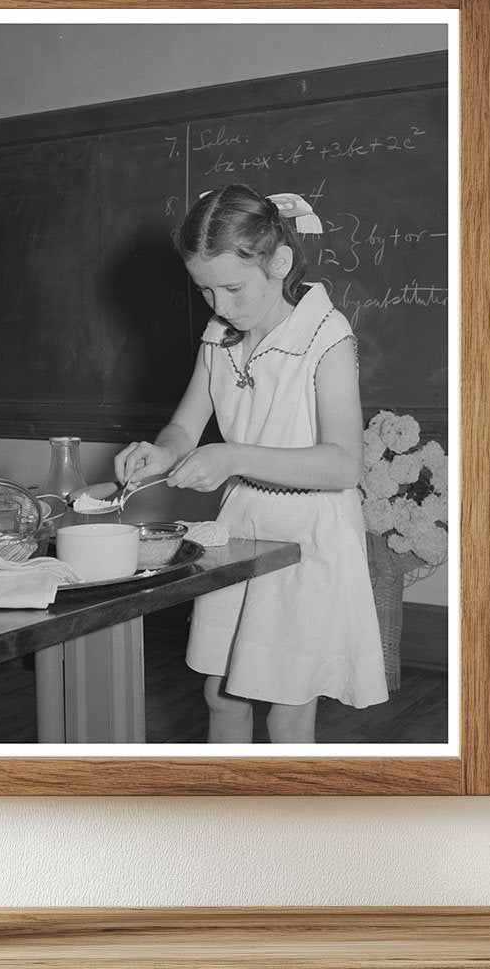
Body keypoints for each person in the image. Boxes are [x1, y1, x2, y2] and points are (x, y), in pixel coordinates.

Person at [115, 184, 388, 744]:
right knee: (221, 693)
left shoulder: (325, 336)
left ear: (279, 263)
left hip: (309, 535)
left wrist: (232, 455)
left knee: (288, 706)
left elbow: (342, 466)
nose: (218, 306)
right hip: (241, 532)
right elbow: (186, 425)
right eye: (204, 290)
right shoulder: (219, 335)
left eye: (233, 288)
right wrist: (162, 452)